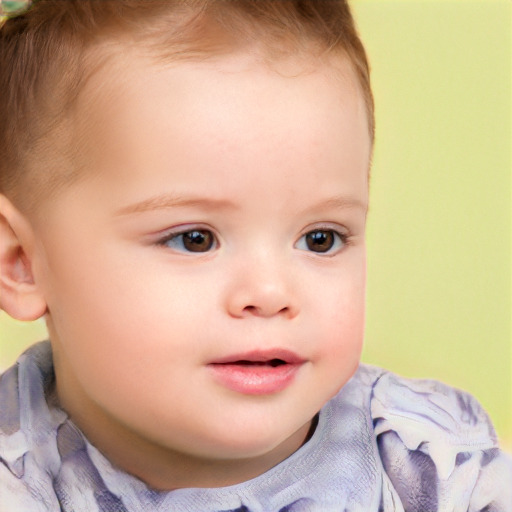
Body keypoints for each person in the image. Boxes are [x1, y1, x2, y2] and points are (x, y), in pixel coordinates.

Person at [0, 0, 510, 510]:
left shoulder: (437, 465)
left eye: (321, 238)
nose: (271, 293)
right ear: (20, 261)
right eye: (194, 238)